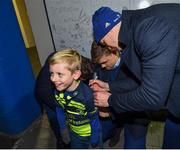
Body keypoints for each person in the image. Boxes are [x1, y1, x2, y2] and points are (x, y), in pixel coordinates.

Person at [91, 4, 180, 148]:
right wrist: (109, 86)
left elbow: (152, 97)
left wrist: (110, 101)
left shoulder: (149, 31)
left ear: (104, 37)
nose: (109, 48)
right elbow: (144, 80)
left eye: (104, 43)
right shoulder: (137, 25)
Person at [35, 52, 94, 148]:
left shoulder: (72, 58)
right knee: (56, 120)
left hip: (57, 91)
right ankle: (61, 141)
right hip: (45, 95)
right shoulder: (46, 85)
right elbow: (44, 93)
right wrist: (65, 108)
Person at [49, 48, 101, 149]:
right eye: (52, 73)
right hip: (74, 134)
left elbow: (94, 118)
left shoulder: (86, 96)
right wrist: (63, 129)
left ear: (75, 74)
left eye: (60, 74)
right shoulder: (57, 92)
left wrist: (95, 138)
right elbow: (59, 109)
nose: (53, 79)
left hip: (89, 135)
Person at [91, 41, 123, 147]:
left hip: (123, 105)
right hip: (105, 107)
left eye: (105, 62)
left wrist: (110, 111)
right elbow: (97, 76)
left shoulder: (128, 66)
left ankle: (118, 128)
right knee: (99, 137)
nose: (102, 66)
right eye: (100, 64)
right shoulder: (100, 65)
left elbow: (132, 98)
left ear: (114, 52)